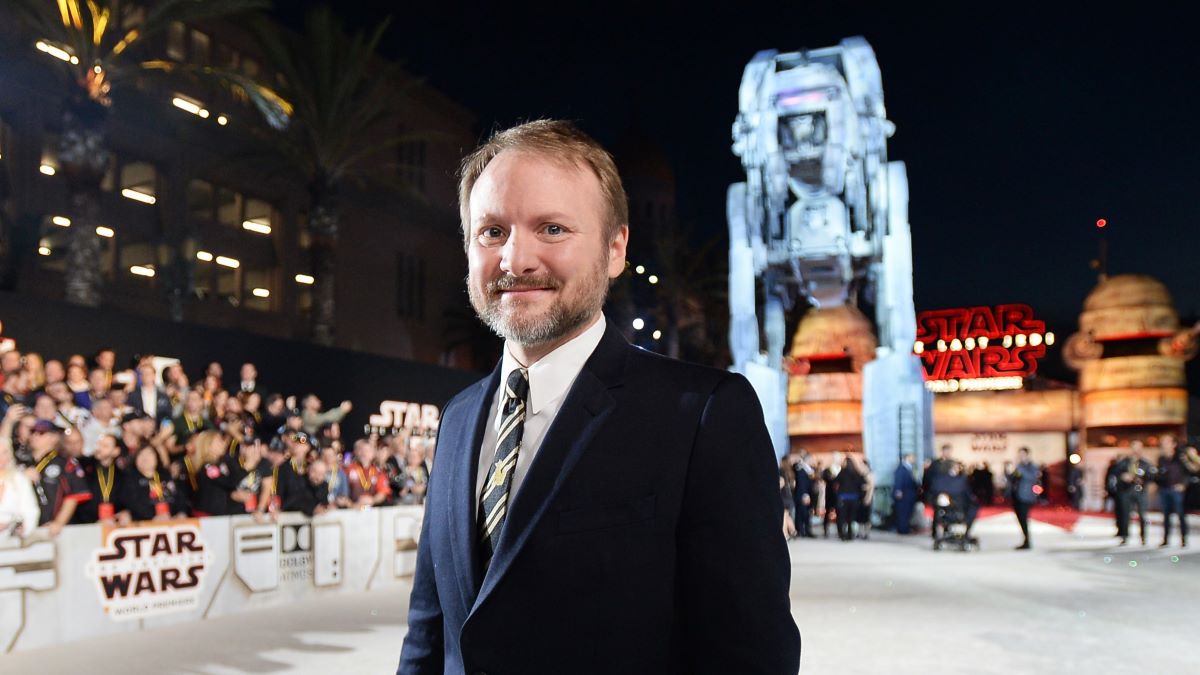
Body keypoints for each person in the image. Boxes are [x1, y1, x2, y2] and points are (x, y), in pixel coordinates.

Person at [398, 120, 799, 674]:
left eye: (553, 228)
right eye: (492, 232)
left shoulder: (703, 416)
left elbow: (750, 657)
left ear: (615, 249)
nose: (516, 260)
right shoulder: (460, 418)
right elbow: (429, 630)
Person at [0, 416, 40, 537]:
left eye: (4, 452)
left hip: (13, 541)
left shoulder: (19, 480)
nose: (2, 458)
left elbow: (30, 511)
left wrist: (22, 528)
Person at [1157, 435, 1196, 547]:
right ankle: (1166, 539)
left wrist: (1183, 485)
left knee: (1180, 515)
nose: (1164, 445)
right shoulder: (1161, 458)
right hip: (1165, 489)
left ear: (1173, 444)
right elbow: (1159, 473)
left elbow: (1190, 471)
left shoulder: (1181, 457)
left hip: (1177, 490)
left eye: (1167, 442)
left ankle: (1183, 539)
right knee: (1166, 516)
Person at [1115, 441, 1154, 546]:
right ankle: (1124, 536)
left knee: (1142, 515)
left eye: (1138, 448)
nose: (1136, 450)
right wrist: (1123, 477)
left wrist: (1143, 479)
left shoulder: (1145, 463)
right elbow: (1116, 473)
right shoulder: (1124, 462)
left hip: (1140, 492)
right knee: (1125, 514)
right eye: (1134, 447)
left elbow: (1151, 476)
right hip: (1126, 491)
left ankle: (1143, 537)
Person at [1007, 447, 1039, 550]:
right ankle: (1025, 540)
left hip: (1026, 497)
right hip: (1016, 496)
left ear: (1027, 455)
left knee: (1024, 519)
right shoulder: (1019, 467)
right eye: (1019, 454)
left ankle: (1027, 541)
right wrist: (1007, 471)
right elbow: (1011, 479)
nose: (1020, 456)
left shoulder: (1032, 466)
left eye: (1022, 454)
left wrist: (1019, 467)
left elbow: (1031, 478)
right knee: (1020, 519)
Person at [790, 450, 816, 538]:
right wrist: (805, 494)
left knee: (806, 513)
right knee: (802, 513)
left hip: (807, 494)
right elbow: (801, 483)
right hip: (802, 494)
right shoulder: (801, 469)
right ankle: (801, 530)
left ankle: (805, 530)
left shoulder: (808, 469)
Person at [893, 452, 919, 534]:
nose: (914, 459)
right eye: (912, 457)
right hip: (904, 495)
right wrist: (898, 491)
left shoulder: (910, 468)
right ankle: (902, 529)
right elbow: (898, 481)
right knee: (903, 512)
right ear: (907, 457)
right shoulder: (901, 469)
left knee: (908, 512)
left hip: (909, 494)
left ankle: (905, 527)